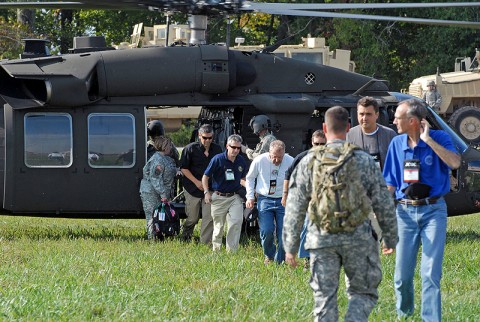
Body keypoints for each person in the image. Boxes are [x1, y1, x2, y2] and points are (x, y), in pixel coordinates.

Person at [283, 106, 398, 322]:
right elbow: (383, 201)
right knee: (363, 293)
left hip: (321, 238)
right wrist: (389, 237)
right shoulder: (363, 159)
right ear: (348, 128)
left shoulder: (309, 161)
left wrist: (290, 246)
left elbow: (294, 206)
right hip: (358, 238)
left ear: (324, 128)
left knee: (324, 299)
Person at [383, 98, 461, 321]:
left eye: (398, 117)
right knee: (401, 277)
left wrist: (428, 140)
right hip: (404, 214)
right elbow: (389, 183)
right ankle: (405, 315)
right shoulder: (396, 144)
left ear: (414, 121)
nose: (394, 121)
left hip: (433, 212)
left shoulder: (439, 138)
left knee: (430, 274)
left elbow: (455, 163)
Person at [346, 96, 397, 239]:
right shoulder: (350, 136)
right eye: (361, 114)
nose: (364, 118)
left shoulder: (389, 135)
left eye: (368, 114)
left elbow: (396, 167)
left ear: (377, 115)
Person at [282, 129, 326, 269]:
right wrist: (285, 194)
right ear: (312, 143)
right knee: (307, 226)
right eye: (316, 143)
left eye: (322, 144)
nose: (319, 146)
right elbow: (288, 174)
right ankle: (307, 259)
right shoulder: (302, 157)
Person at [245, 140, 293, 264]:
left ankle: (280, 261)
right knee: (267, 230)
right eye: (274, 157)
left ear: (284, 154)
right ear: (269, 153)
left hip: (283, 200)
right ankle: (269, 255)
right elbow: (250, 178)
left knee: (284, 232)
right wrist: (250, 197)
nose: (276, 160)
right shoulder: (259, 161)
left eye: (280, 157)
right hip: (265, 199)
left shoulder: (290, 161)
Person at [202, 134, 247, 252]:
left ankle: (231, 252)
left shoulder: (241, 160)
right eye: (233, 147)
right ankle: (216, 251)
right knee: (218, 227)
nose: (236, 150)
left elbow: (243, 179)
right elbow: (205, 177)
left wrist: (251, 190)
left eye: (238, 148)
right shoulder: (218, 159)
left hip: (235, 196)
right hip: (219, 196)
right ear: (227, 146)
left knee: (236, 222)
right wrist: (207, 192)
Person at [180, 124, 222, 244]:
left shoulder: (217, 149)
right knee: (192, 218)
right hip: (192, 187)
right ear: (199, 136)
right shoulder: (190, 149)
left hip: (210, 189)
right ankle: (186, 234)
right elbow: (183, 168)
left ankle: (205, 243)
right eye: (205, 138)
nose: (207, 140)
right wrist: (197, 182)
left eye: (210, 138)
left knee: (208, 218)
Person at [140, 136, 177, 239]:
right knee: (152, 216)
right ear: (164, 146)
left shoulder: (166, 159)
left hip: (159, 192)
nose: (171, 147)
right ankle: (152, 238)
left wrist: (177, 171)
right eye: (169, 145)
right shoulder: (157, 159)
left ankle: (160, 235)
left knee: (161, 216)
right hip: (151, 192)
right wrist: (163, 194)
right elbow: (156, 178)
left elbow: (170, 169)